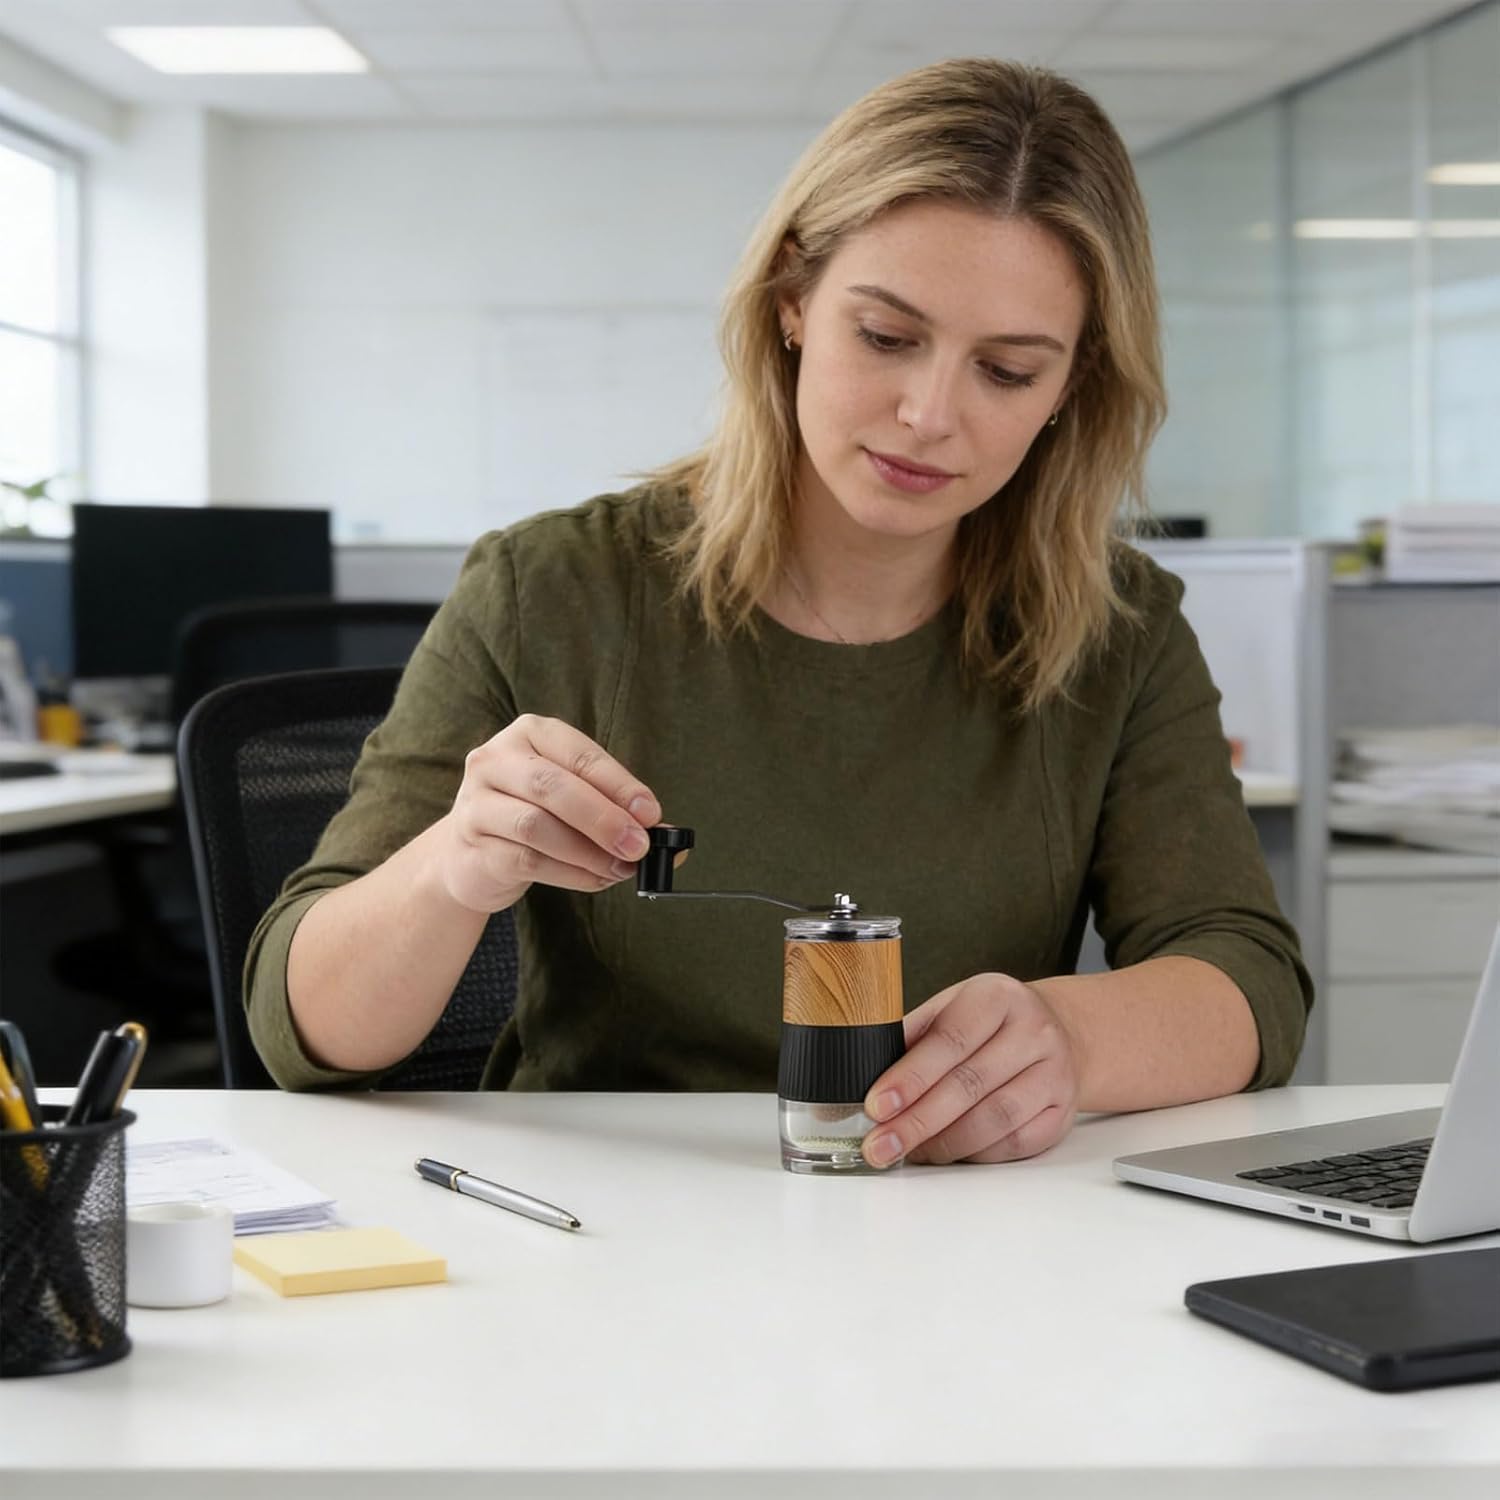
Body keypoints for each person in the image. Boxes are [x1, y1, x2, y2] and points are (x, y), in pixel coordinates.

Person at [246, 57, 1313, 1167]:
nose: (928, 414)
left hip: (958, 1233)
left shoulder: (1119, 629)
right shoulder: (552, 589)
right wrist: (455, 865)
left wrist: (1071, 1039)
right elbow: (302, 1033)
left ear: (1071, 390)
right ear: (793, 299)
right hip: (610, 1229)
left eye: (1005, 371)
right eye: (887, 337)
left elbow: (1248, 978)